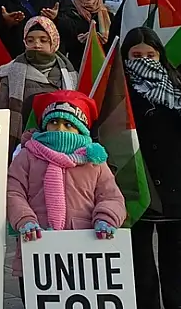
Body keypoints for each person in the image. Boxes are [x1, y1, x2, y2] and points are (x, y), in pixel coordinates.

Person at [123, 26, 181, 309]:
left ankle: (177, 303)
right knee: (139, 249)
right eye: (136, 54)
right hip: (137, 175)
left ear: (160, 54)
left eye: (150, 54)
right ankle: (145, 302)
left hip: (175, 175)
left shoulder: (177, 84)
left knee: (174, 247)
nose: (144, 59)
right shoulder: (119, 85)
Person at [7, 90, 126, 304]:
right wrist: (24, 219)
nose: (60, 129)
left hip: (83, 250)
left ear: (80, 129)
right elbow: (13, 191)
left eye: (68, 124)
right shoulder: (27, 156)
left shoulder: (94, 162)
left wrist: (106, 219)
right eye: (54, 122)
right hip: (37, 244)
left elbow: (111, 196)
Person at [0, 17, 78, 157]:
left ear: (54, 42)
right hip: (22, 147)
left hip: (60, 144)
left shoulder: (70, 74)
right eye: (30, 40)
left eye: (43, 40)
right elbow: (0, 114)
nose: (36, 44)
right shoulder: (11, 73)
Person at [71, 0, 111, 67]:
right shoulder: (71, 14)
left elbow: (113, 40)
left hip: (103, 63)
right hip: (79, 65)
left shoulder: (108, 14)